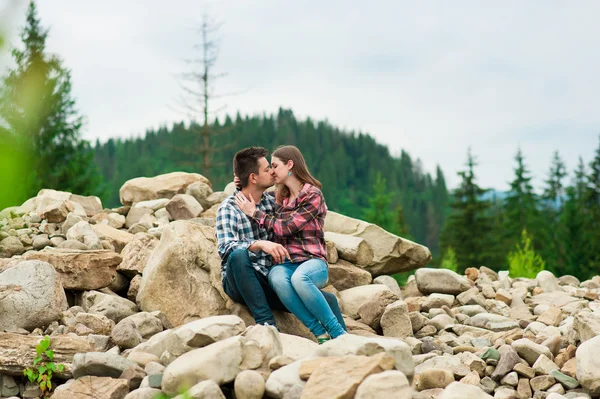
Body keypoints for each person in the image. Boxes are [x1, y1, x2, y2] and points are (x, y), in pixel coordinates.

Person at [216, 147, 344, 332]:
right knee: (238, 256)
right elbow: (225, 248)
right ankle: (266, 324)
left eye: (273, 167)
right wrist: (259, 244)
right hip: (240, 279)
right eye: (268, 169)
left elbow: (288, 218)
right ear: (253, 177)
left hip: (267, 278)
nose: (272, 172)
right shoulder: (229, 208)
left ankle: (344, 339)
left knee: (327, 299)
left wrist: (244, 187)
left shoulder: (272, 202)